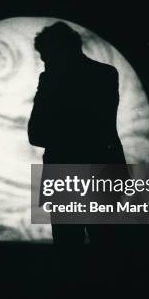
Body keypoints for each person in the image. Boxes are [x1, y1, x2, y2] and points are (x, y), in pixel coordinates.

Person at [28, 21, 128, 248]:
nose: (45, 63)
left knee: (70, 248)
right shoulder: (105, 75)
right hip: (100, 172)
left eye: (47, 56)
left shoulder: (51, 80)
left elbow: (37, 134)